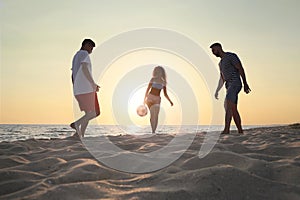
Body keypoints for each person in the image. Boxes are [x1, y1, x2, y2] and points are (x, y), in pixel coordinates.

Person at [210, 43, 251, 134]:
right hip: (228, 86)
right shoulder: (220, 63)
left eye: (214, 50)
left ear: (219, 48)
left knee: (230, 106)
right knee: (231, 108)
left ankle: (227, 130)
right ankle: (239, 130)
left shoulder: (231, 56)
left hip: (235, 83)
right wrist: (217, 90)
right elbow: (222, 78)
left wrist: (245, 83)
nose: (213, 53)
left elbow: (240, 68)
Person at [70, 39, 100, 137]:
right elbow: (84, 68)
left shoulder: (76, 56)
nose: (91, 50)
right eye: (91, 47)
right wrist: (93, 84)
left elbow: (72, 74)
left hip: (78, 90)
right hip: (87, 89)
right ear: (86, 45)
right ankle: (76, 124)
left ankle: (79, 135)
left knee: (88, 113)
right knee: (95, 112)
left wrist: (75, 87)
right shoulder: (84, 54)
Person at [144, 66, 174, 133]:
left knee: (156, 115)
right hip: (150, 98)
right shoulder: (152, 79)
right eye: (156, 71)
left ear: (162, 72)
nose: (157, 72)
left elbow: (165, 94)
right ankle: (153, 131)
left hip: (157, 99)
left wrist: (170, 101)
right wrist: (144, 100)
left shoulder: (164, 82)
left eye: (159, 71)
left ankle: (154, 131)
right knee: (152, 114)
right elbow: (147, 90)